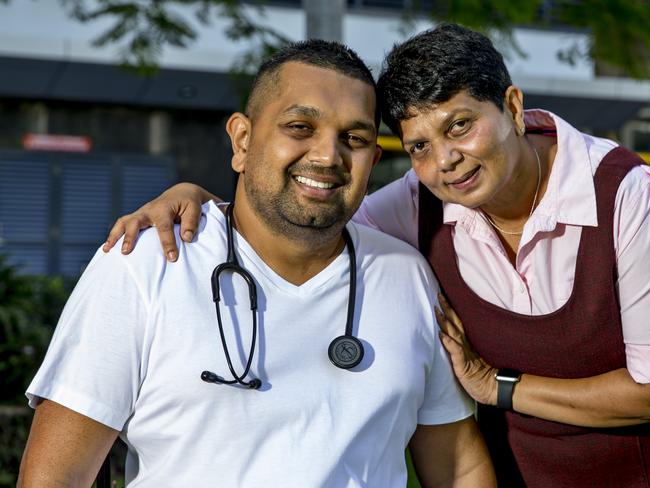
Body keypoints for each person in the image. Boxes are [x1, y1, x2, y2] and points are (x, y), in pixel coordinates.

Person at [108, 23, 650, 487]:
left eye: (460, 125)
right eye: (419, 146)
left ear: (511, 106)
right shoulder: (418, 207)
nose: (446, 161)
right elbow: (297, 211)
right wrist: (196, 200)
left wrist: (497, 388)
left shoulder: (628, 197)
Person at [19, 40, 495, 487]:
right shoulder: (147, 262)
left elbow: (457, 465)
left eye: (353, 137)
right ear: (242, 140)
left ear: (372, 159)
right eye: (300, 128)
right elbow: (55, 478)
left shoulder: (406, 274)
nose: (328, 155)